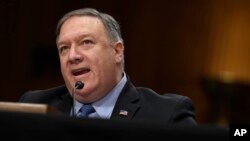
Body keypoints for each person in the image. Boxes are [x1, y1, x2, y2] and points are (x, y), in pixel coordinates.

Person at [19, 8, 197, 126]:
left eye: (86, 42)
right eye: (64, 48)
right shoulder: (34, 106)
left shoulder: (166, 115)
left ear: (117, 51)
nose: (73, 56)